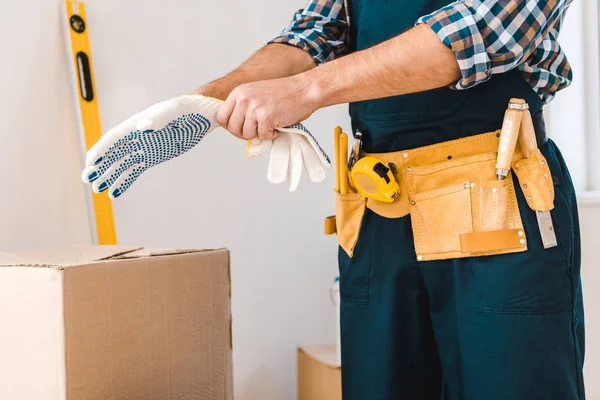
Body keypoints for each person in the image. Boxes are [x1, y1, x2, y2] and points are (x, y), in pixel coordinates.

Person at [86, 1, 584, 399]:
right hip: (380, 210)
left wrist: (305, 90)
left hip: (497, 205)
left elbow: (480, 29)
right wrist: (211, 98)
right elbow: (318, 30)